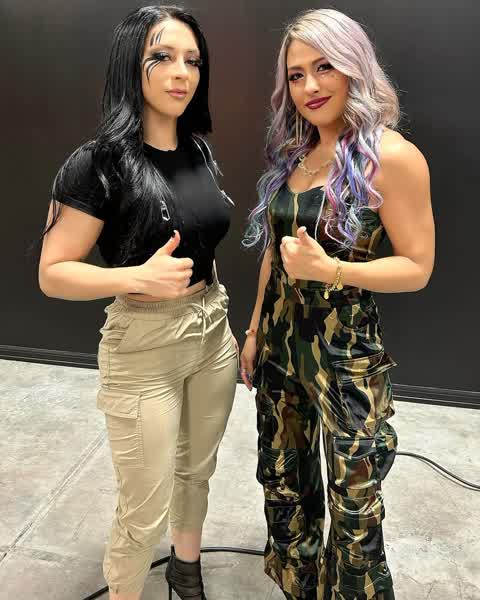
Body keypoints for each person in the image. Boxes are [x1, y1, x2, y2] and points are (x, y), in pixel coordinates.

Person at [38, 6, 238, 600]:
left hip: (212, 331)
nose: (182, 73)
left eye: (192, 61)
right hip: (145, 345)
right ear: (132, 64)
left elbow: (203, 240)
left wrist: (212, 305)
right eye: (162, 57)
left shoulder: (198, 151)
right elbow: (52, 273)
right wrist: (136, 277)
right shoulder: (97, 163)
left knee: (196, 471)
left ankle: (186, 572)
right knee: (143, 507)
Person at [241, 8, 434, 600]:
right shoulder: (295, 155)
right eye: (296, 75)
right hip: (281, 353)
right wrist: (254, 333)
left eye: (324, 67)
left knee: (354, 510)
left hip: (345, 359)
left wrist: (334, 270)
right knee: (285, 489)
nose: (310, 86)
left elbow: (418, 266)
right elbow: (274, 256)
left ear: (355, 67)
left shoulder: (391, 157)